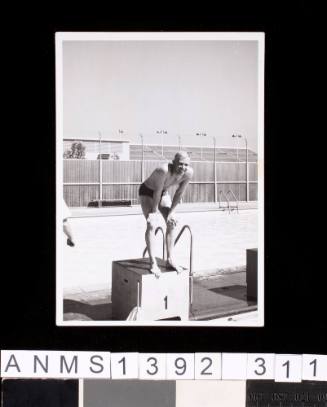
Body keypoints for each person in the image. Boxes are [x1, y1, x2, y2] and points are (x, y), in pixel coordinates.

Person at [139, 151, 193, 277]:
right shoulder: (163, 170)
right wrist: (153, 213)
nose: (183, 168)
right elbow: (156, 192)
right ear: (173, 162)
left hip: (162, 192)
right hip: (147, 192)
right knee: (152, 225)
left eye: (186, 165)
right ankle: (153, 262)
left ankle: (170, 259)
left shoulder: (188, 173)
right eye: (180, 164)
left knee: (171, 223)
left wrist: (171, 213)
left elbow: (179, 193)